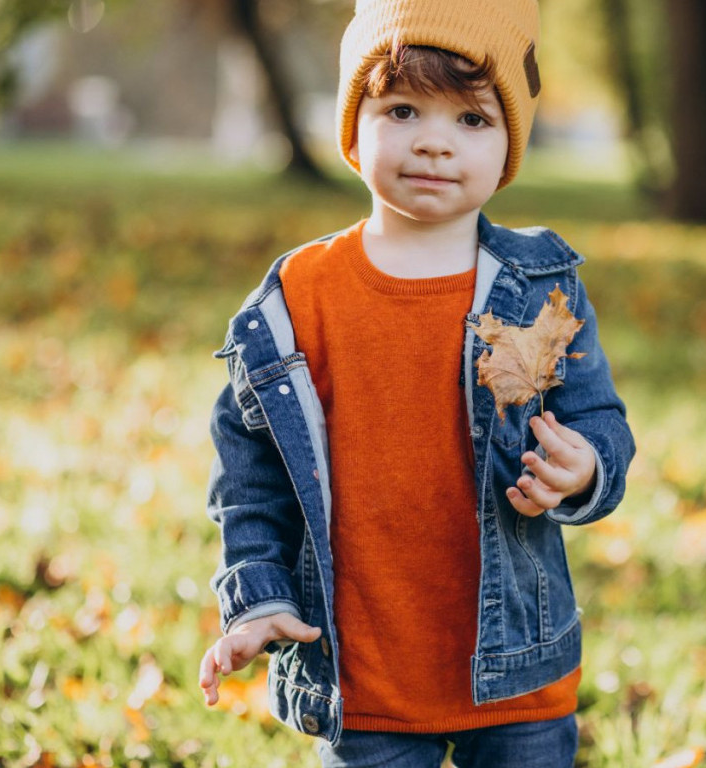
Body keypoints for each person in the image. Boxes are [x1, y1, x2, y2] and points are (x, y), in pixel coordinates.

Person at [195, 0, 635, 765]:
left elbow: (601, 422)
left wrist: (586, 468)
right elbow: (249, 474)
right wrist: (258, 595)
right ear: (353, 133)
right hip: (365, 680)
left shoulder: (543, 286)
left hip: (517, 673)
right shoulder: (300, 299)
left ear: (508, 147)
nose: (434, 142)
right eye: (402, 110)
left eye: (471, 120)